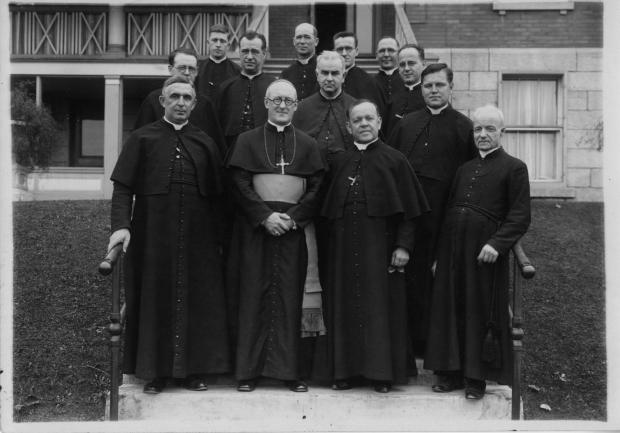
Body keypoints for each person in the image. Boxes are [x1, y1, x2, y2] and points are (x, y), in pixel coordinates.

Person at [108, 75, 230, 394]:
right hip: (152, 235)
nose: (180, 102)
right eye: (173, 96)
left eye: (186, 98)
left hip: (198, 239)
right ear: (162, 101)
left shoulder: (205, 141)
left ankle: (193, 371)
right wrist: (121, 226)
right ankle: (156, 373)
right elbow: (123, 188)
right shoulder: (142, 139)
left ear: (194, 103)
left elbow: (219, 198)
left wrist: (221, 241)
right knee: (154, 299)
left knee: (197, 301)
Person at [320, 100, 429, 393]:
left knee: (380, 310)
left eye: (369, 118)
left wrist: (403, 247)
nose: (364, 124)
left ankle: (381, 374)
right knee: (344, 307)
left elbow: (411, 212)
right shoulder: (339, 161)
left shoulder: (395, 160)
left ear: (380, 122)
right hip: (342, 251)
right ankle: (344, 372)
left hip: (380, 250)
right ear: (348, 127)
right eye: (357, 120)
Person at [424, 104, 531, 400]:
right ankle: (450, 373)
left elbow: (520, 215)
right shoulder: (464, 169)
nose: (482, 135)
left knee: (478, 311)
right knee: (450, 308)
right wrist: (437, 256)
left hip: (484, 253)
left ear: (502, 132)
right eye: (478, 129)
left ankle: (476, 378)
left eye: (489, 129)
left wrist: (496, 244)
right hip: (452, 251)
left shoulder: (514, 167)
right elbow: (447, 212)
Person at [226, 79, 325, 393]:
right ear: (266, 103)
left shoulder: (309, 144)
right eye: (277, 99)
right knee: (253, 297)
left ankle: (290, 372)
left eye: (289, 101)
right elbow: (239, 184)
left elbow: (318, 188)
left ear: (296, 106)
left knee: (290, 298)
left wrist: (293, 219)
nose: (283, 106)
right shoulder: (246, 140)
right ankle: (248, 371)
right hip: (256, 231)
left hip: (293, 232)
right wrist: (264, 216)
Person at [387, 63, 477, 371]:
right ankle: (405, 347)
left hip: (444, 219)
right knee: (404, 283)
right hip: (407, 218)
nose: (434, 90)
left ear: (451, 87)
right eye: (428, 86)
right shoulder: (406, 124)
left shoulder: (465, 128)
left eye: (440, 85)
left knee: (438, 284)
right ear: (421, 89)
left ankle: (435, 352)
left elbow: (470, 177)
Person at [133, 47, 225, 155]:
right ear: (170, 69)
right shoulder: (153, 100)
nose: (187, 73)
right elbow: (140, 140)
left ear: (197, 72)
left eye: (191, 69)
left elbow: (215, 146)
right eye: (182, 68)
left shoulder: (205, 104)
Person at [293, 50, 356, 165]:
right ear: (317, 75)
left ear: (343, 76)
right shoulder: (301, 108)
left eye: (335, 73)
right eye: (325, 73)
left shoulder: (355, 108)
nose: (329, 79)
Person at [217, 31, 275, 150]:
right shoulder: (225, 88)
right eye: (245, 51)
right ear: (239, 52)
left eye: (254, 52)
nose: (249, 57)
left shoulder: (274, 87)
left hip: (265, 151)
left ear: (264, 54)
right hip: (232, 152)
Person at [333, 31, 385, 116]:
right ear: (334, 51)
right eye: (340, 49)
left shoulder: (369, 82)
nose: (344, 53)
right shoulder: (327, 79)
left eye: (348, 49)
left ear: (356, 51)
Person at [382, 44, 426, 137]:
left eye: (411, 63)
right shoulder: (393, 99)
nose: (406, 68)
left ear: (423, 64)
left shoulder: (430, 97)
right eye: (402, 65)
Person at [195, 24, 241, 100]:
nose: (218, 45)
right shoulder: (198, 69)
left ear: (228, 45)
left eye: (222, 41)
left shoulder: (237, 71)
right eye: (214, 40)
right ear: (208, 43)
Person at [281, 23, 320, 101]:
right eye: (299, 37)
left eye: (307, 37)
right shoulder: (286, 73)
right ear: (294, 41)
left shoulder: (323, 70)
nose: (302, 41)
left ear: (316, 41)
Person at [374, 37, 403, 104]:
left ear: (399, 54)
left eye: (391, 50)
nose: (386, 54)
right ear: (376, 55)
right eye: (382, 51)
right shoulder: (369, 83)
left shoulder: (406, 82)